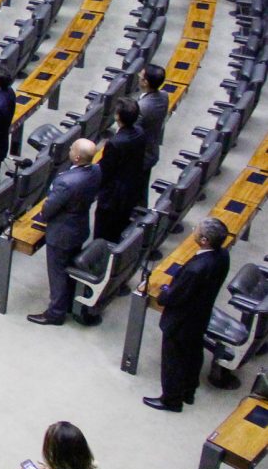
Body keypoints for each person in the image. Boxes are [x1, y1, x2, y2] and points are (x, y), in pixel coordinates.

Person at [145, 216, 231, 412]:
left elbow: (174, 296)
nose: (194, 231)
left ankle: (171, 400)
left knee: (173, 361)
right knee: (192, 354)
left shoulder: (196, 269)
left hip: (181, 320)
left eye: (196, 230)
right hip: (200, 315)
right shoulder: (222, 255)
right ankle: (188, 391)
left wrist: (164, 294)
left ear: (204, 240)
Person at [27, 140, 103, 326]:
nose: (69, 149)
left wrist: (44, 215)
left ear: (76, 157)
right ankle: (68, 302)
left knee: (58, 273)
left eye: (72, 149)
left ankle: (55, 313)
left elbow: (49, 208)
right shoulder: (96, 170)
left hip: (61, 233)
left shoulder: (66, 182)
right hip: (79, 227)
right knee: (68, 267)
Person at [95, 99, 146, 243]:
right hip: (131, 188)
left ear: (117, 116)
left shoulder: (115, 143)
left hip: (113, 196)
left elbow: (106, 171)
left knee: (104, 234)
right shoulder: (140, 132)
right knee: (120, 225)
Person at [135, 64, 168, 203]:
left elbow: (131, 133)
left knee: (135, 193)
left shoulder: (142, 108)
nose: (138, 76)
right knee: (142, 190)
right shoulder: (164, 96)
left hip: (139, 157)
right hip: (151, 151)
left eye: (141, 75)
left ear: (145, 82)